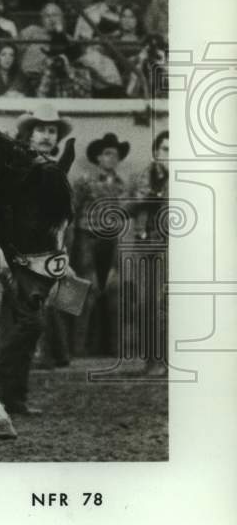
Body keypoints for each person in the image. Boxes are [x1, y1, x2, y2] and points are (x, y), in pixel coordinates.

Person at [0, 103, 74, 415]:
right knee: (30, 322)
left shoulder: (55, 169)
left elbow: (59, 221)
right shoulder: (17, 165)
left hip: (43, 259)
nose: (47, 135)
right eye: (41, 129)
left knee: (30, 322)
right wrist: (0, 252)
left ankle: (14, 397)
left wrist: (60, 259)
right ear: (29, 132)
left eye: (52, 131)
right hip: (14, 255)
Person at [68, 132, 130, 359]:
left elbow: (124, 218)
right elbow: (73, 210)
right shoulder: (85, 181)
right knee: (87, 290)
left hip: (111, 242)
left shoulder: (122, 185)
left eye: (115, 155)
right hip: (87, 239)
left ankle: (113, 349)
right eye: (107, 154)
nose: (112, 159)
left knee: (113, 291)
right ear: (98, 158)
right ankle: (77, 348)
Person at [127, 130, 169, 376]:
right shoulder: (141, 177)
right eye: (165, 150)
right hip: (143, 244)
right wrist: (145, 198)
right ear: (155, 153)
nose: (169, 156)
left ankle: (163, 360)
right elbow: (125, 208)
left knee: (163, 303)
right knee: (144, 304)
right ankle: (151, 359)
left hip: (169, 246)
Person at [35, 32, 93, 98]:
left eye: (60, 55)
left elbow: (85, 95)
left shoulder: (80, 67)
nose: (58, 58)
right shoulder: (51, 67)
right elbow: (41, 93)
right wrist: (49, 72)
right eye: (54, 55)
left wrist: (69, 72)